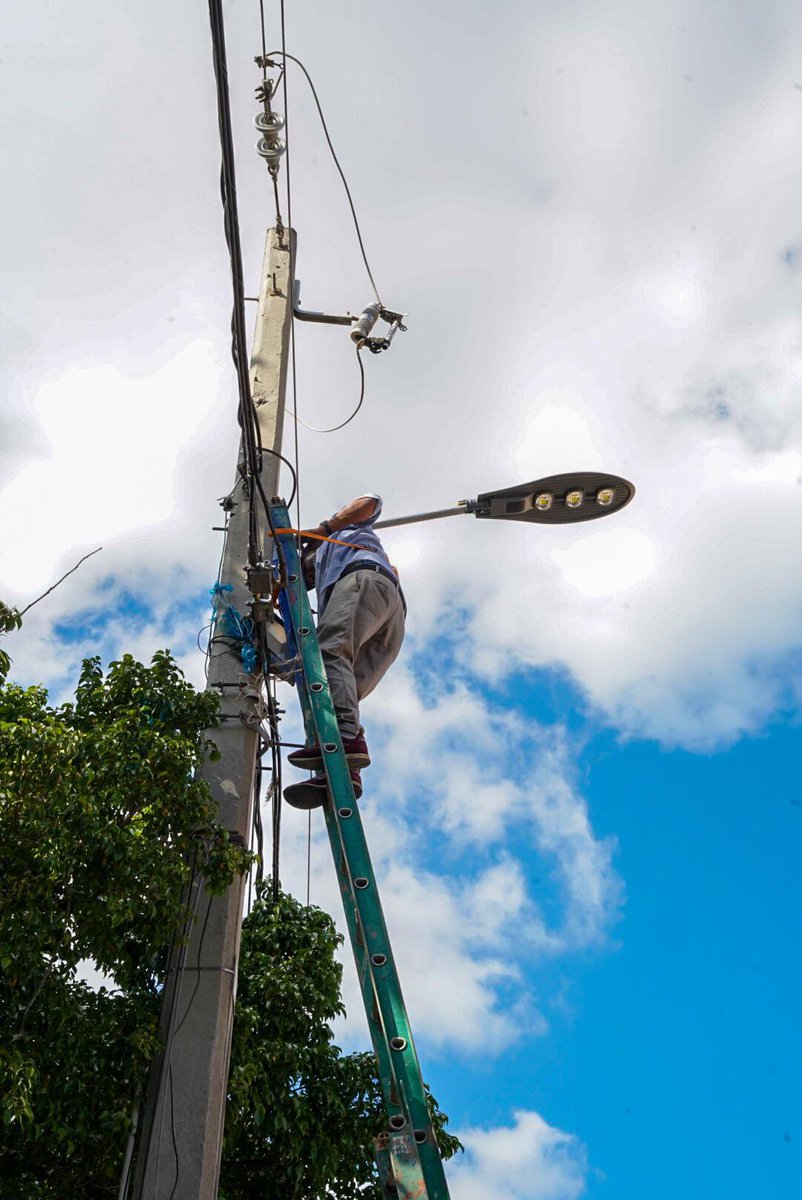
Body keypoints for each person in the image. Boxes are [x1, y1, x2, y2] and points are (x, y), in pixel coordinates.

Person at [284, 493, 406, 803]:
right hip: (389, 613)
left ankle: (348, 741)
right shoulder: (331, 586)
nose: (309, 576)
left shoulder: (343, 535)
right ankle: (344, 770)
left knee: (329, 654)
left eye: (307, 571)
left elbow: (371, 501)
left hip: (367, 581)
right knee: (344, 685)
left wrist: (323, 530)